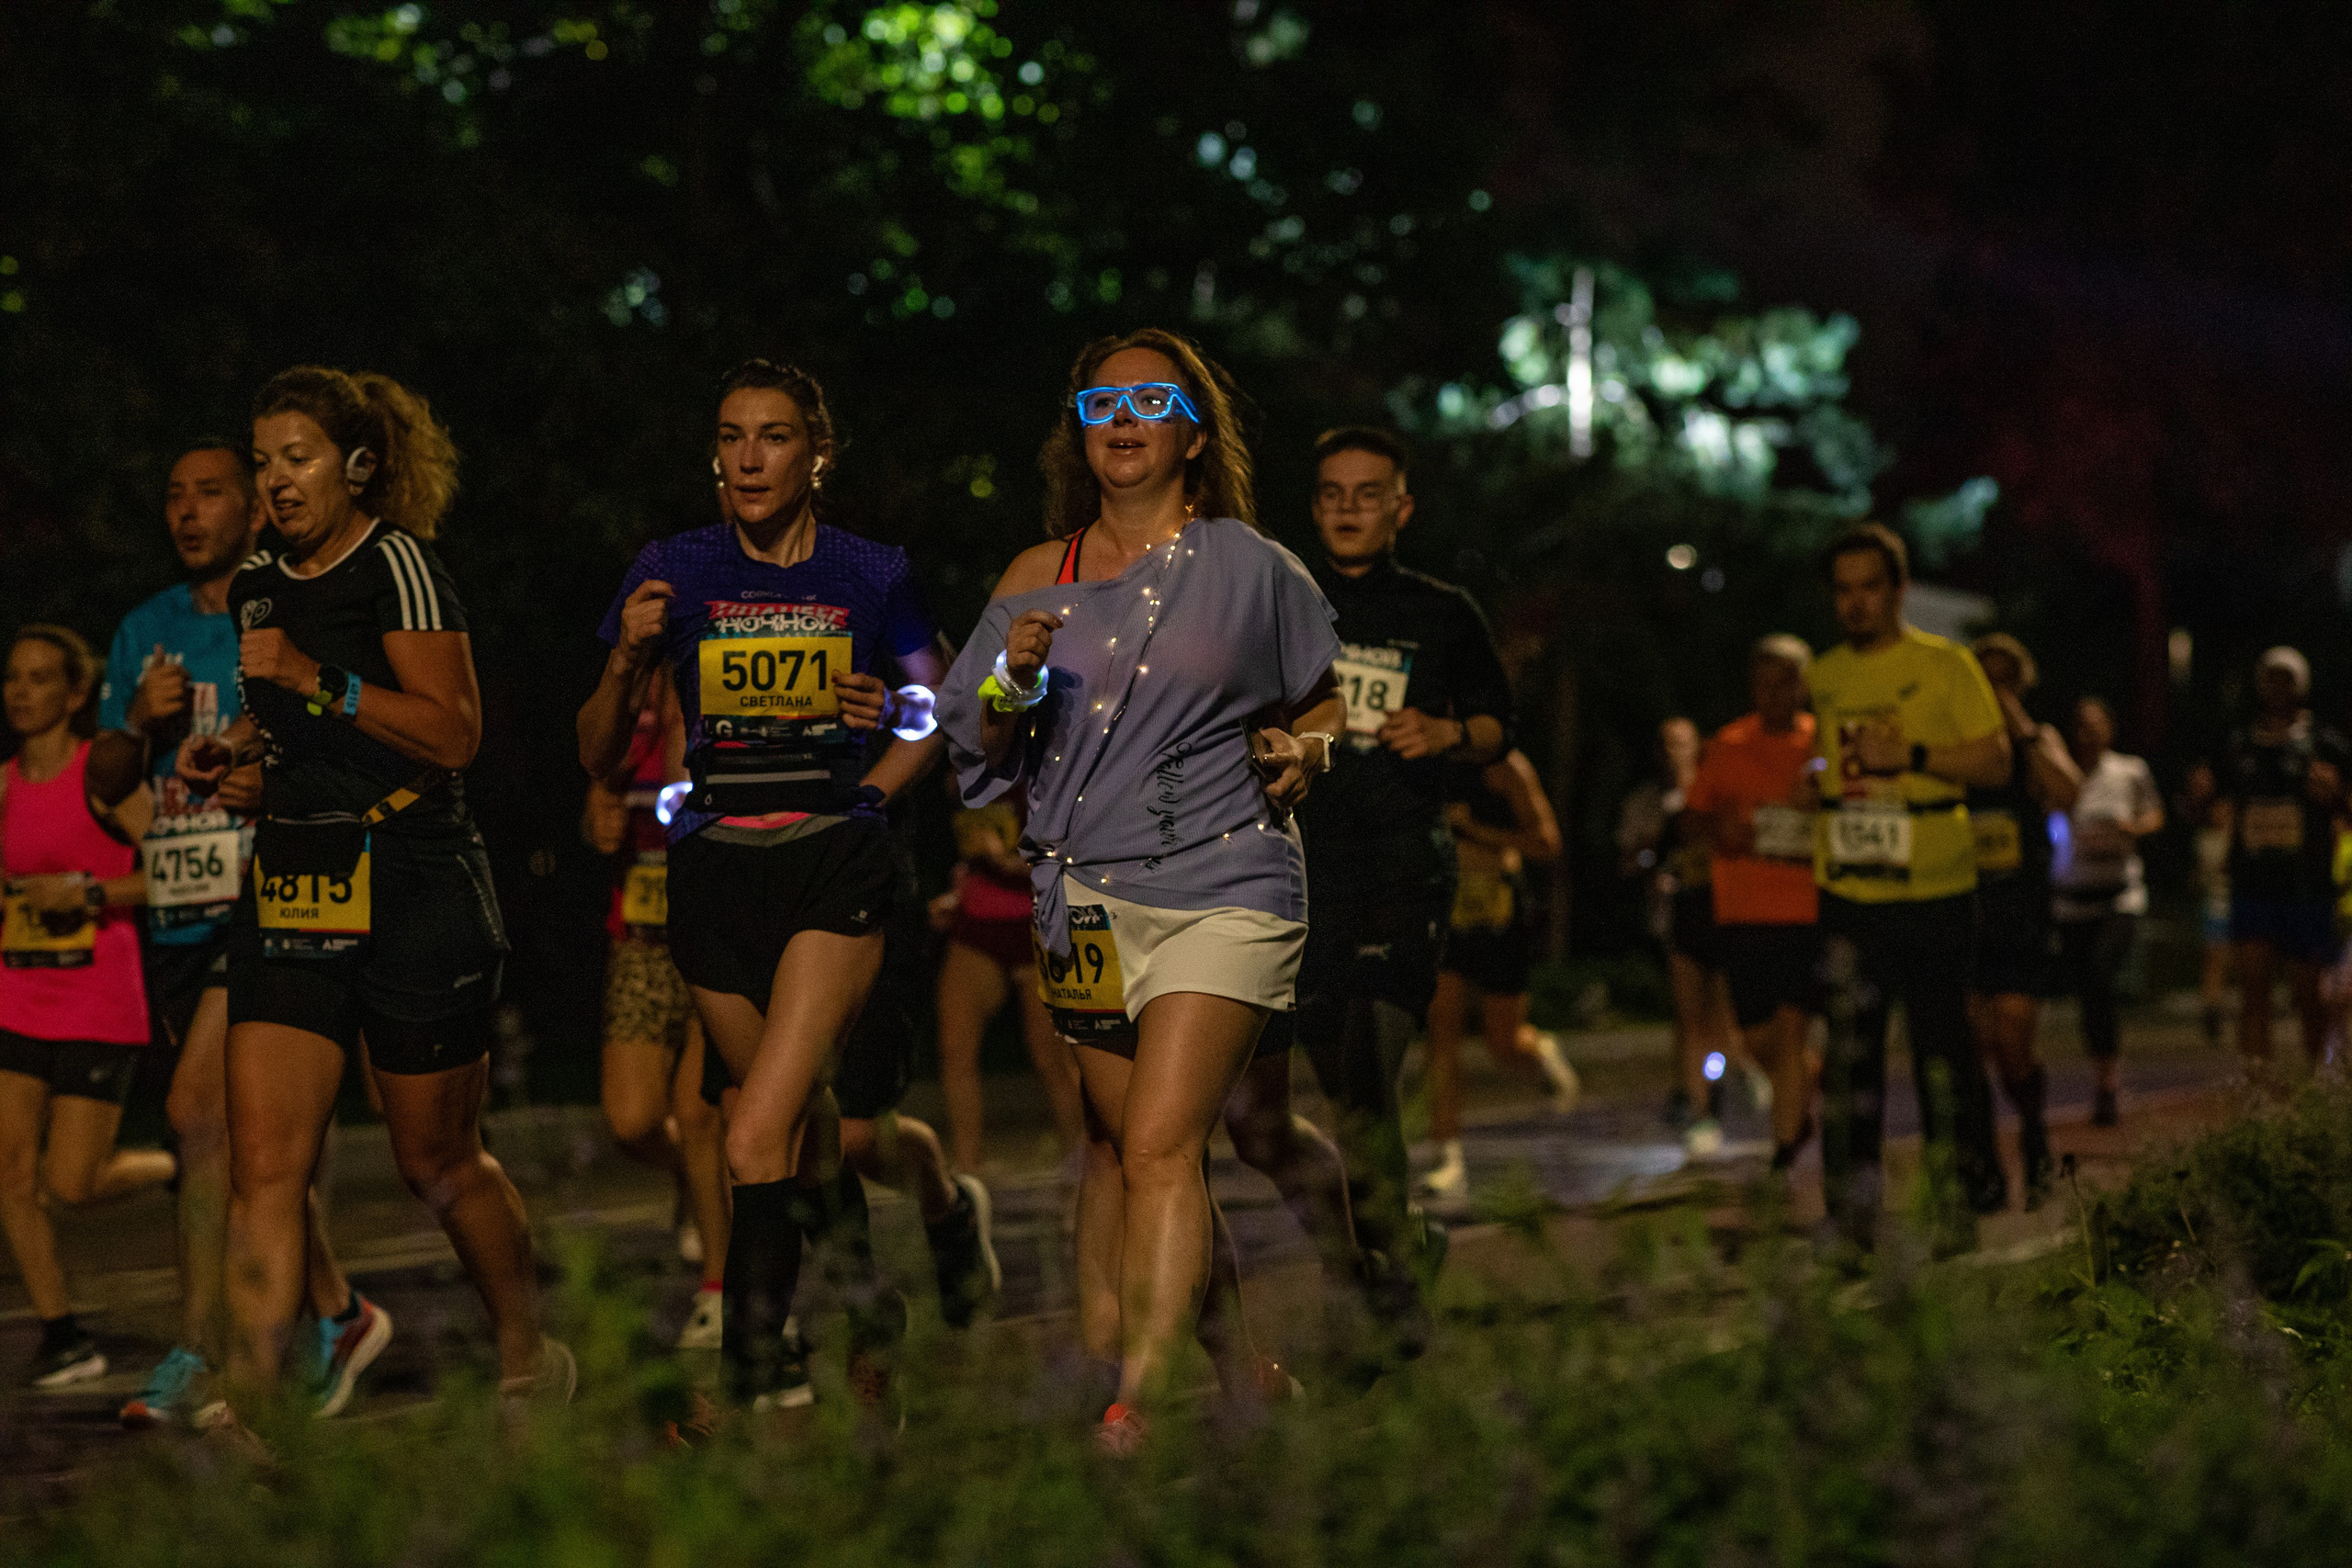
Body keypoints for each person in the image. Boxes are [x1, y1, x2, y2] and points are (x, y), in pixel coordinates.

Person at [939, 329, 1344, 1451]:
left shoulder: (1252, 567)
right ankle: (1241, 1371)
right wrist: (1013, 676)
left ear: (1193, 434)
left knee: (1162, 1143)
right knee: (1124, 1153)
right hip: (1084, 900)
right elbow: (976, 748)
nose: (1122, 420)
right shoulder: (1035, 576)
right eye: (1100, 405)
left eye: (1151, 401)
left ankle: (1139, 1397)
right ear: (1079, 435)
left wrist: (1307, 755)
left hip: (1230, 878)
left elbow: (1324, 699)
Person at [180, 367, 568, 1426]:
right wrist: (237, 751)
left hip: (413, 879)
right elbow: (295, 735)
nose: (276, 482)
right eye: (262, 462)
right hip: (297, 878)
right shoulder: (260, 581)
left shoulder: (399, 564)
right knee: (267, 1165)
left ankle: (530, 1352)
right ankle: (259, 1418)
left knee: (434, 1159)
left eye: (295, 459)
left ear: (355, 466)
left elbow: (453, 734)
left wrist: (317, 680)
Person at [577, 357, 965, 1415]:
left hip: (832, 862)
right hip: (710, 877)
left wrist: (881, 755)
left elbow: (944, 710)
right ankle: (867, 1303)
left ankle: (748, 1382)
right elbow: (597, 754)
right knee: (802, 1134)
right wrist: (625, 665)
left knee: (751, 1133)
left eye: (776, 436)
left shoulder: (870, 571)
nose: (750, 457)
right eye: (733, 437)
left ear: (817, 454)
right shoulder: (674, 566)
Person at [103, 444, 386, 1427]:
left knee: (194, 1114)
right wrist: (139, 727)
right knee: (241, 1144)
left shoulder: (293, 606)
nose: (188, 511)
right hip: (185, 915)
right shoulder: (146, 629)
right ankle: (331, 1311)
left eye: (210, 492)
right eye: (173, 495)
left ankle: (206, 1349)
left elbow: (351, 733)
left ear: (256, 510)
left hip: (280, 894)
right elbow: (105, 785)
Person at [1221, 424, 1514, 1360]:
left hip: (1399, 871)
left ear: (1400, 508)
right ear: (1315, 509)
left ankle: (1386, 1312)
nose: (1348, 509)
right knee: (1256, 1125)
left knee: (1361, 1086)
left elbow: (1498, 725)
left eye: (1367, 493)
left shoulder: (1440, 611)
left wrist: (1450, 732)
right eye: (1332, 494)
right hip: (1289, 875)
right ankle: (1374, 1258)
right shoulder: (1275, 605)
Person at [1804, 523, 2011, 1259]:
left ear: (1897, 590)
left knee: (1941, 1051)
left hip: (1934, 887)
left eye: (1870, 588)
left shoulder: (1947, 665)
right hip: (1851, 887)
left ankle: (1959, 1197)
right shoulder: (1822, 675)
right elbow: (1819, 761)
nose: (1857, 604)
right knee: (1849, 1056)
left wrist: (1913, 754)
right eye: (1844, 591)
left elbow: (1995, 762)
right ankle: (1850, 1214)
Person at [0, 627, 179, 1389]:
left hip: (98, 998)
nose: (19, 692)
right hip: (18, 995)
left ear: (76, 693)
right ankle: (62, 1333)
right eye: (12, 678)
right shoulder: (4, 784)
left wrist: (90, 891)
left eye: (39, 678)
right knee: (9, 1171)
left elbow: (177, 869)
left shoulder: (100, 776)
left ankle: (178, 1166)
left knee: (71, 1183)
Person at [581, 669, 731, 1350]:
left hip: (716, 931)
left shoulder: (726, 692)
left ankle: (721, 1291)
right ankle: (697, 1186)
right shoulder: (631, 705)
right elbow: (598, 797)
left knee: (698, 1111)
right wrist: (599, 819)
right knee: (633, 1118)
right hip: (640, 938)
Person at [1683, 636, 1825, 1175]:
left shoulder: (1822, 745)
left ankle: (1784, 1150)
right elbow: (1693, 820)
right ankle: (1802, 1082)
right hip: (1742, 911)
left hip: (1806, 909)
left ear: (1804, 684)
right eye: (1764, 681)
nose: (1774, 692)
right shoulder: (1728, 745)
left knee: (1791, 1027)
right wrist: (1724, 829)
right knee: (1757, 1038)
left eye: (1786, 680)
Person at [1420, 749, 1577, 1201]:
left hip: (1499, 907)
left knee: (1503, 1043)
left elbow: (1547, 844)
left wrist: (1475, 830)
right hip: (1448, 907)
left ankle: (1541, 1049)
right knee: (1442, 1034)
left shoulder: (1508, 768)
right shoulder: (1427, 763)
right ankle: (1447, 1156)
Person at [2186, 648, 2347, 1081]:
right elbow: (2201, 805)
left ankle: (2319, 1088)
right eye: (2270, 678)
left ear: (2302, 686)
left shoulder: (2324, 742)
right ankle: (2257, 1092)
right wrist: (2198, 798)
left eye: (2286, 679)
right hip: (2253, 885)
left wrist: (2334, 795)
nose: (2277, 687)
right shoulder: (2238, 742)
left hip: (2306, 888)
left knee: (2309, 995)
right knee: (2253, 991)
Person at [1962, 635, 2080, 1206]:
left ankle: (2034, 1134)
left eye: (2004, 679)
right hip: (1962, 915)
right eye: (1982, 677)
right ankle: (1982, 1166)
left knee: (2011, 1040)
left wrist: (2021, 726)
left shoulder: (2037, 745)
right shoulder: (1954, 747)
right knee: (1969, 1046)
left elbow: (2067, 793)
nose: (1992, 688)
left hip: (2021, 917)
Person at [932, 795, 1085, 1173]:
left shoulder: (1043, 762)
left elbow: (1072, 853)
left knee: (1052, 1057)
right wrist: (956, 892)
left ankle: (1085, 1161)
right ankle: (968, 1170)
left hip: (1037, 923)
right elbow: (970, 853)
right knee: (955, 1048)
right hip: (978, 927)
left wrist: (1008, 861)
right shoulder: (959, 769)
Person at [1622, 717, 1747, 1156]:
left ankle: (1727, 1081)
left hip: (1729, 913)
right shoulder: (1654, 801)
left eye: (1685, 744)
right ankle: (1702, 1113)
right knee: (1692, 1022)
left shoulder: (1722, 791)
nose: (1676, 753)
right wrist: (1652, 852)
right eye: (1667, 745)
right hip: (1684, 917)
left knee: (1725, 1023)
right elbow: (1635, 857)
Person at [2052, 695, 2163, 1126]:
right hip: (2072, 897)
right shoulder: (2059, 771)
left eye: (2096, 725)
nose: (2089, 734)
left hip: (2119, 895)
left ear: (2110, 730)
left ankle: (2109, 1080)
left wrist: (2133, 828)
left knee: (2100, 974)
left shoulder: (2129, 771)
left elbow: (2155, 813)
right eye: (2081, 726)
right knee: (2088, 992)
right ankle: (2104, 1080)